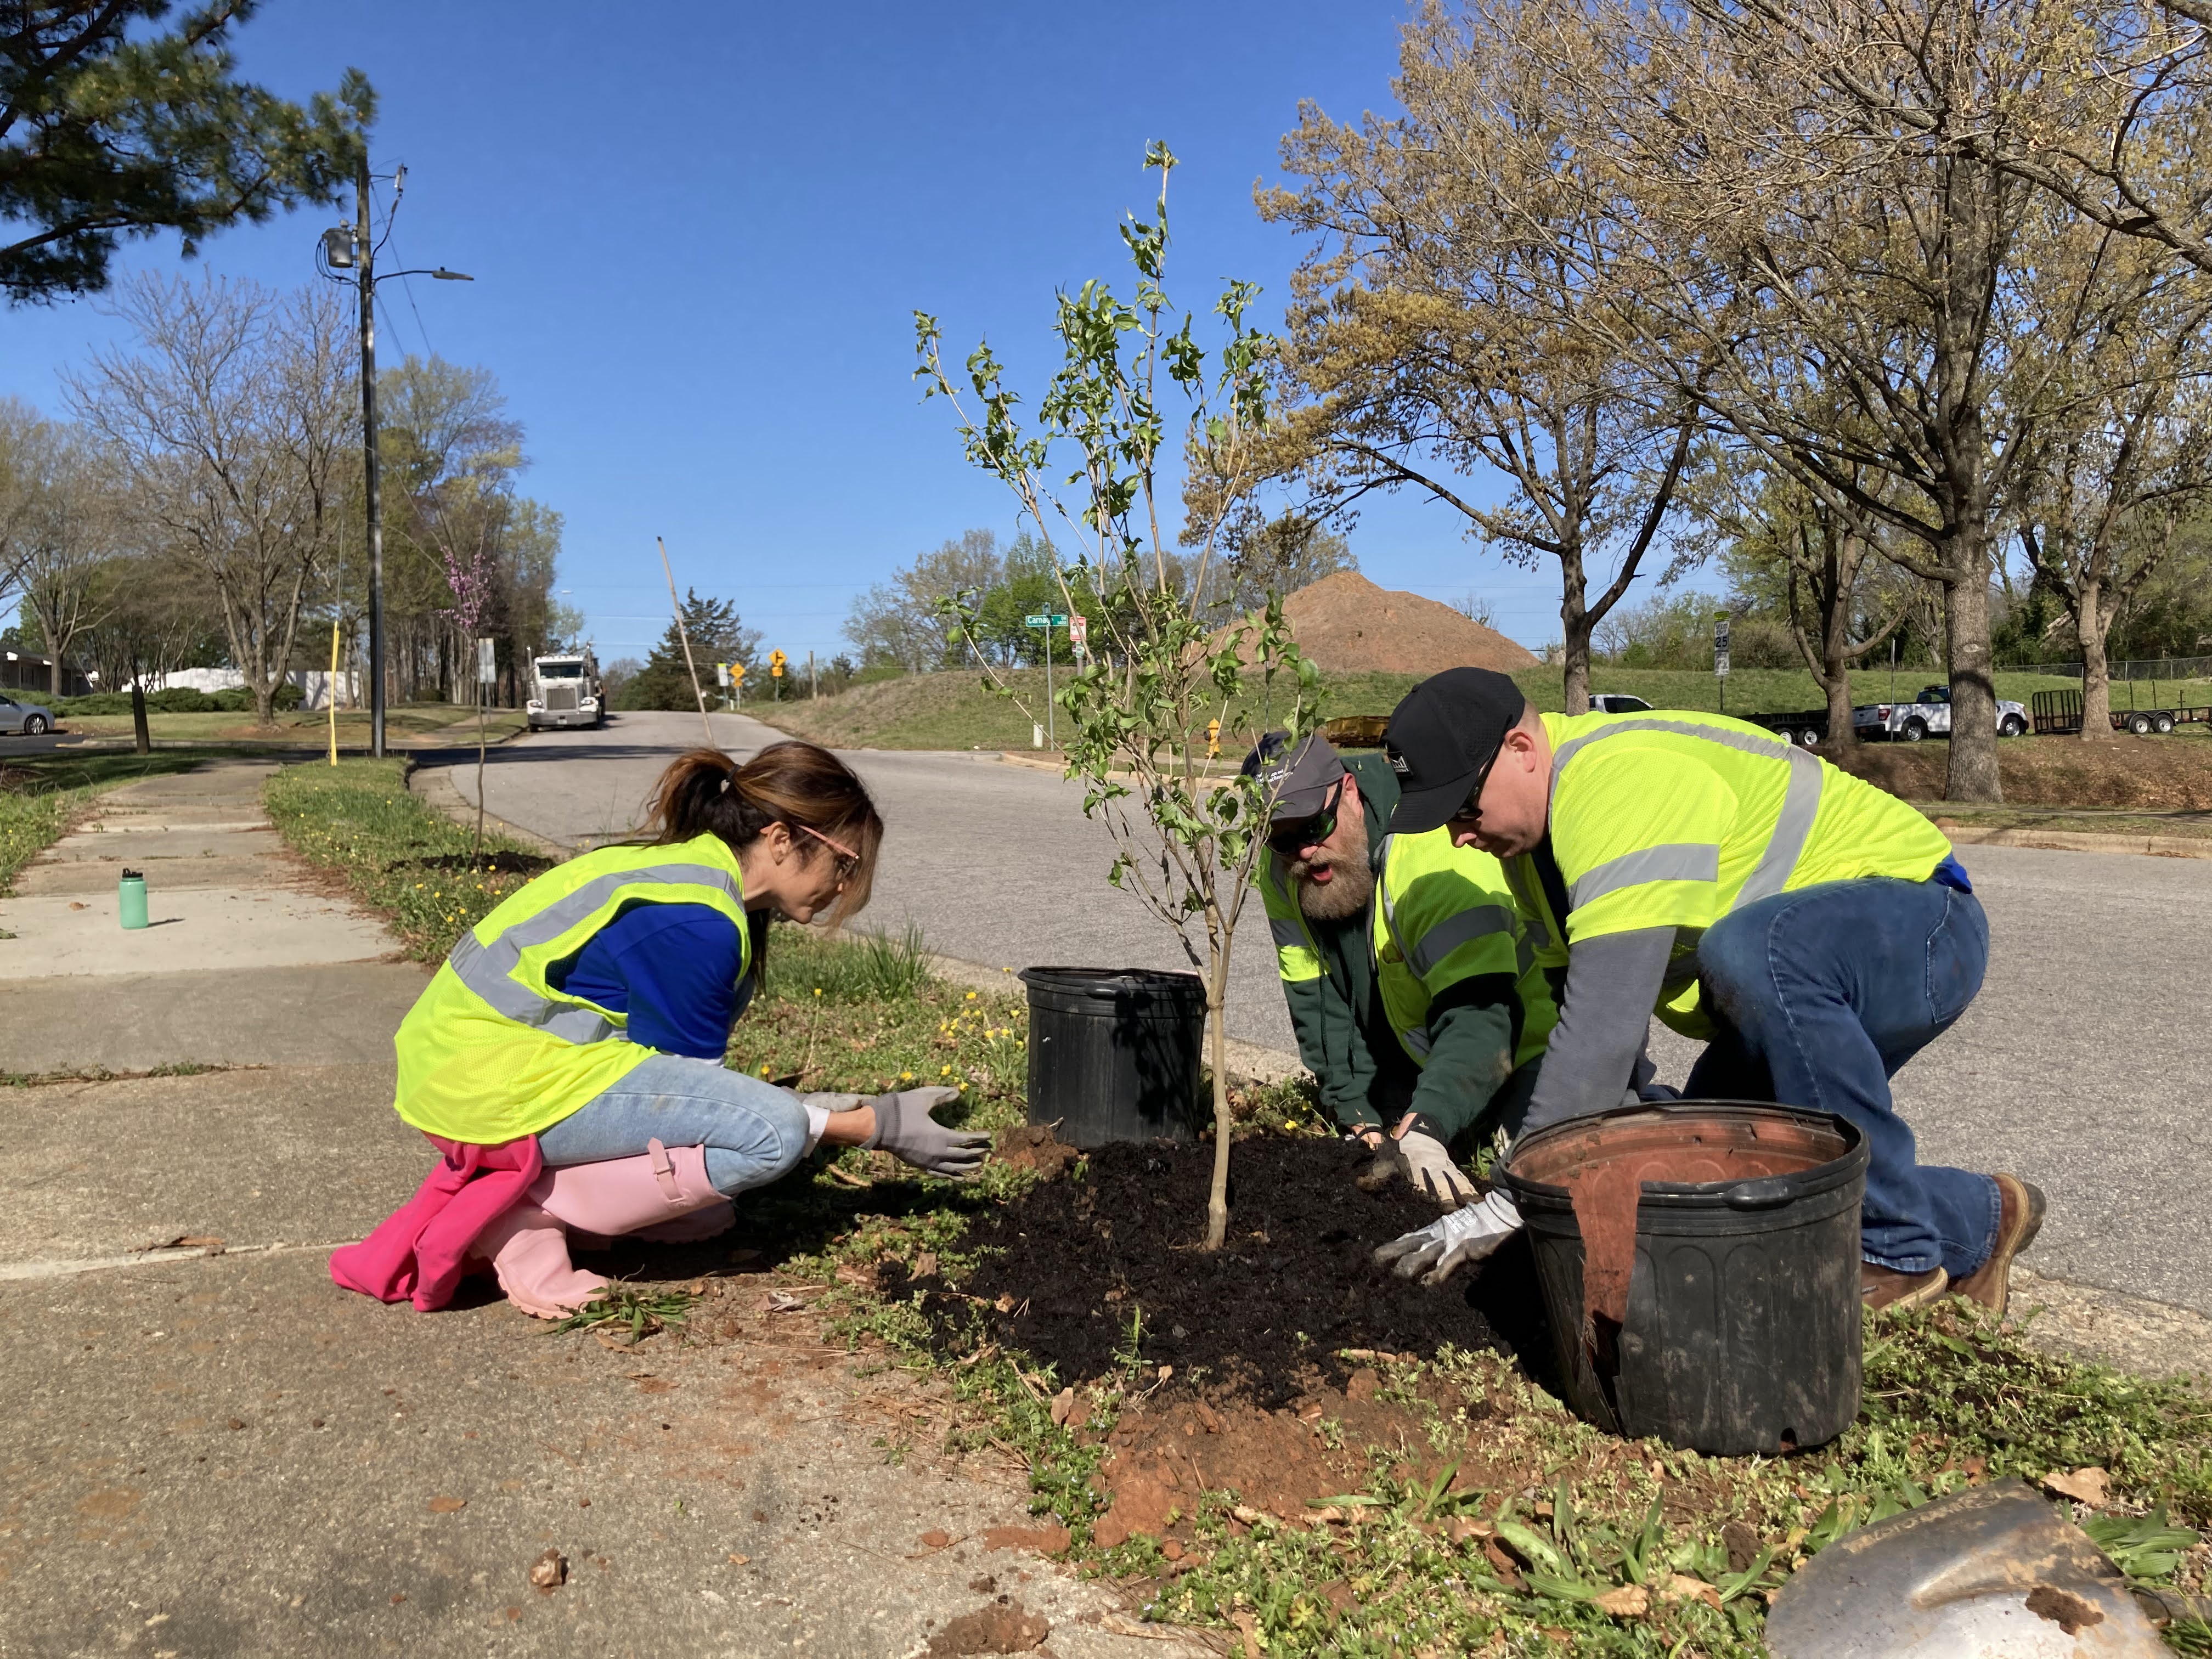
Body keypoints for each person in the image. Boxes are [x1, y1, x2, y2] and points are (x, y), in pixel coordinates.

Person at [1372, 668, 2042, 1313]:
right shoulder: (1530, 859)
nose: (1459, 835)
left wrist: (1515, 1198)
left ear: (1522, 749)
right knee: (1705, 1175)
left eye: (1463, 805)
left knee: (1747, 951)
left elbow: (1601, 1039)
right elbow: (1594, 1050)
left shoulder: (1614, 783)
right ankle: (1981, 1219)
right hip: (1782, 992)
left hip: (1922, 928)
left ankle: (1892, 1249)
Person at [332, 742, 989, 1317]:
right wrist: (872, 1127)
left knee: (717, 1189)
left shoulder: (696, 876)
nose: (845, 885)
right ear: (783, 839)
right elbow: (694, 1102)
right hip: (489, 1083)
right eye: (845, 864)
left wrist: (834, 1111)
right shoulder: (698, 921)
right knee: (773, 1138)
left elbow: (675, 1081)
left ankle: (556, 1193)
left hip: (469, 1063)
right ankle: (523, 1213)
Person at [1247, 729, 1558, 1206]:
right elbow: (1315, 999)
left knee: (1535, 1167)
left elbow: (1482, 1015)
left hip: (1524, 1048)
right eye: (1281, 838)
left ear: (1348, 791)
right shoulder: (1283, 872)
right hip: (1414, 1054)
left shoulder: (1429, 847)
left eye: (1313, 827)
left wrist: (1427, 1127)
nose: (1303, 852)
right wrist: (1357, 1113)